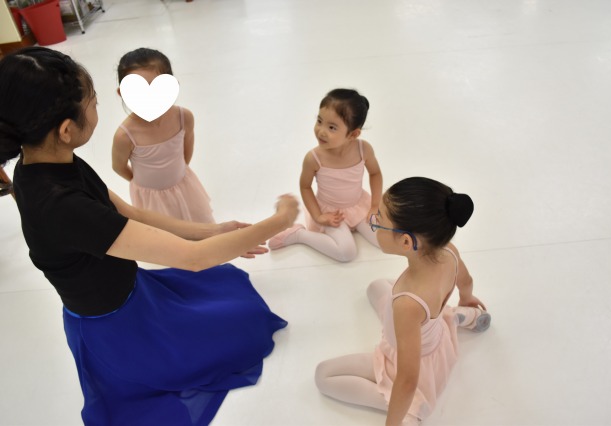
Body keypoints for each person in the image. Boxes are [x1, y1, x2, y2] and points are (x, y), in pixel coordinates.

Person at [0, 47, 299, 426]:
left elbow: (131, 213)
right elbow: (194, 259)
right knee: (237, 332)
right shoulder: (63, 205)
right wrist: (280, 219)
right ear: (66, 129)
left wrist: (214, 230)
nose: (98, 107)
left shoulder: (45, 160)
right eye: (93, 102)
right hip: (115, 325)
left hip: (132, 291)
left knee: (232, 308)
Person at [315, 177, 491, 426]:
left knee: (323, 375)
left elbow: (407, 379)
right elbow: (466, 280)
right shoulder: (449, 250)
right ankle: (459, 315)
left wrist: (392, 423)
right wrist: (467, 298)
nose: (372, 220)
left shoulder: (407, 303)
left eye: (379, 221)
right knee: (375, 287)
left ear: (406, 241)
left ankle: (411, 409)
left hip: (411, 359)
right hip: (434, 333)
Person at [268, 88, 383, 262]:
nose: (321, 131)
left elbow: (375, 173)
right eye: (319, 121)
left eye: (332, 127)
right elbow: (305, 187)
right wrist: (318, 216)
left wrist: (374, 205)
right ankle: (299, 235)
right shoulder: (314, 158)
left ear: (353, 134)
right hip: (330, 212)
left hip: (358, 205)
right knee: (346, 253)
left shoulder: (363, 149)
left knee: (383, 240)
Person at [112, 47, 215, 223]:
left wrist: (179, 173)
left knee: (200, 225)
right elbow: (118, 166)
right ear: (123, 93)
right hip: (152, 200)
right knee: (165, 235)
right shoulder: (125, 135)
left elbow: (186, 151)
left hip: (185, 188)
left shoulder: (184, 117)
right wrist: (142, 185)